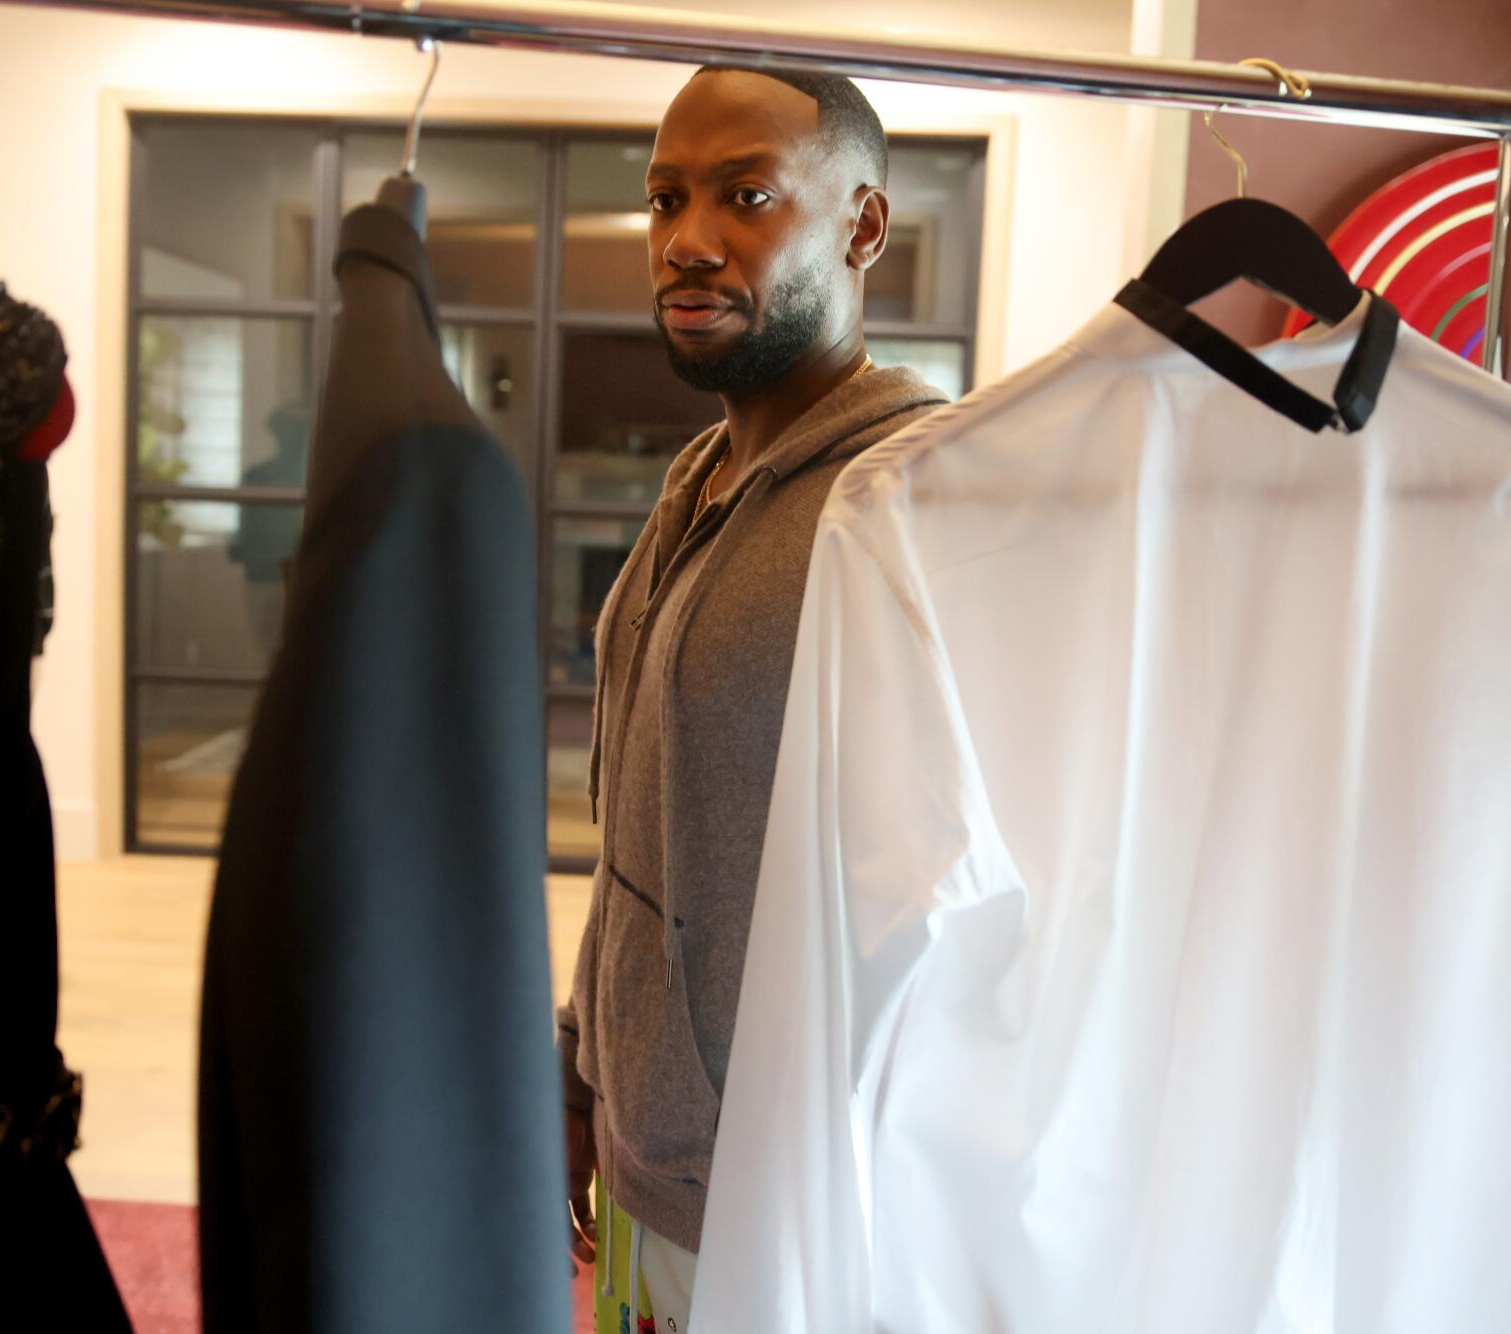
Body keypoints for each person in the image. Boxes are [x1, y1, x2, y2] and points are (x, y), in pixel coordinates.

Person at [556, 66, 951, 1332]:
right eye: (666, 198)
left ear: (862, 226)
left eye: (747, 195)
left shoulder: (912, 505)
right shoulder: (697, 475)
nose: (685, 241)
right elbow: (644, 815)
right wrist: (585, 1064)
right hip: (650, 1157)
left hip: (788, 1201)